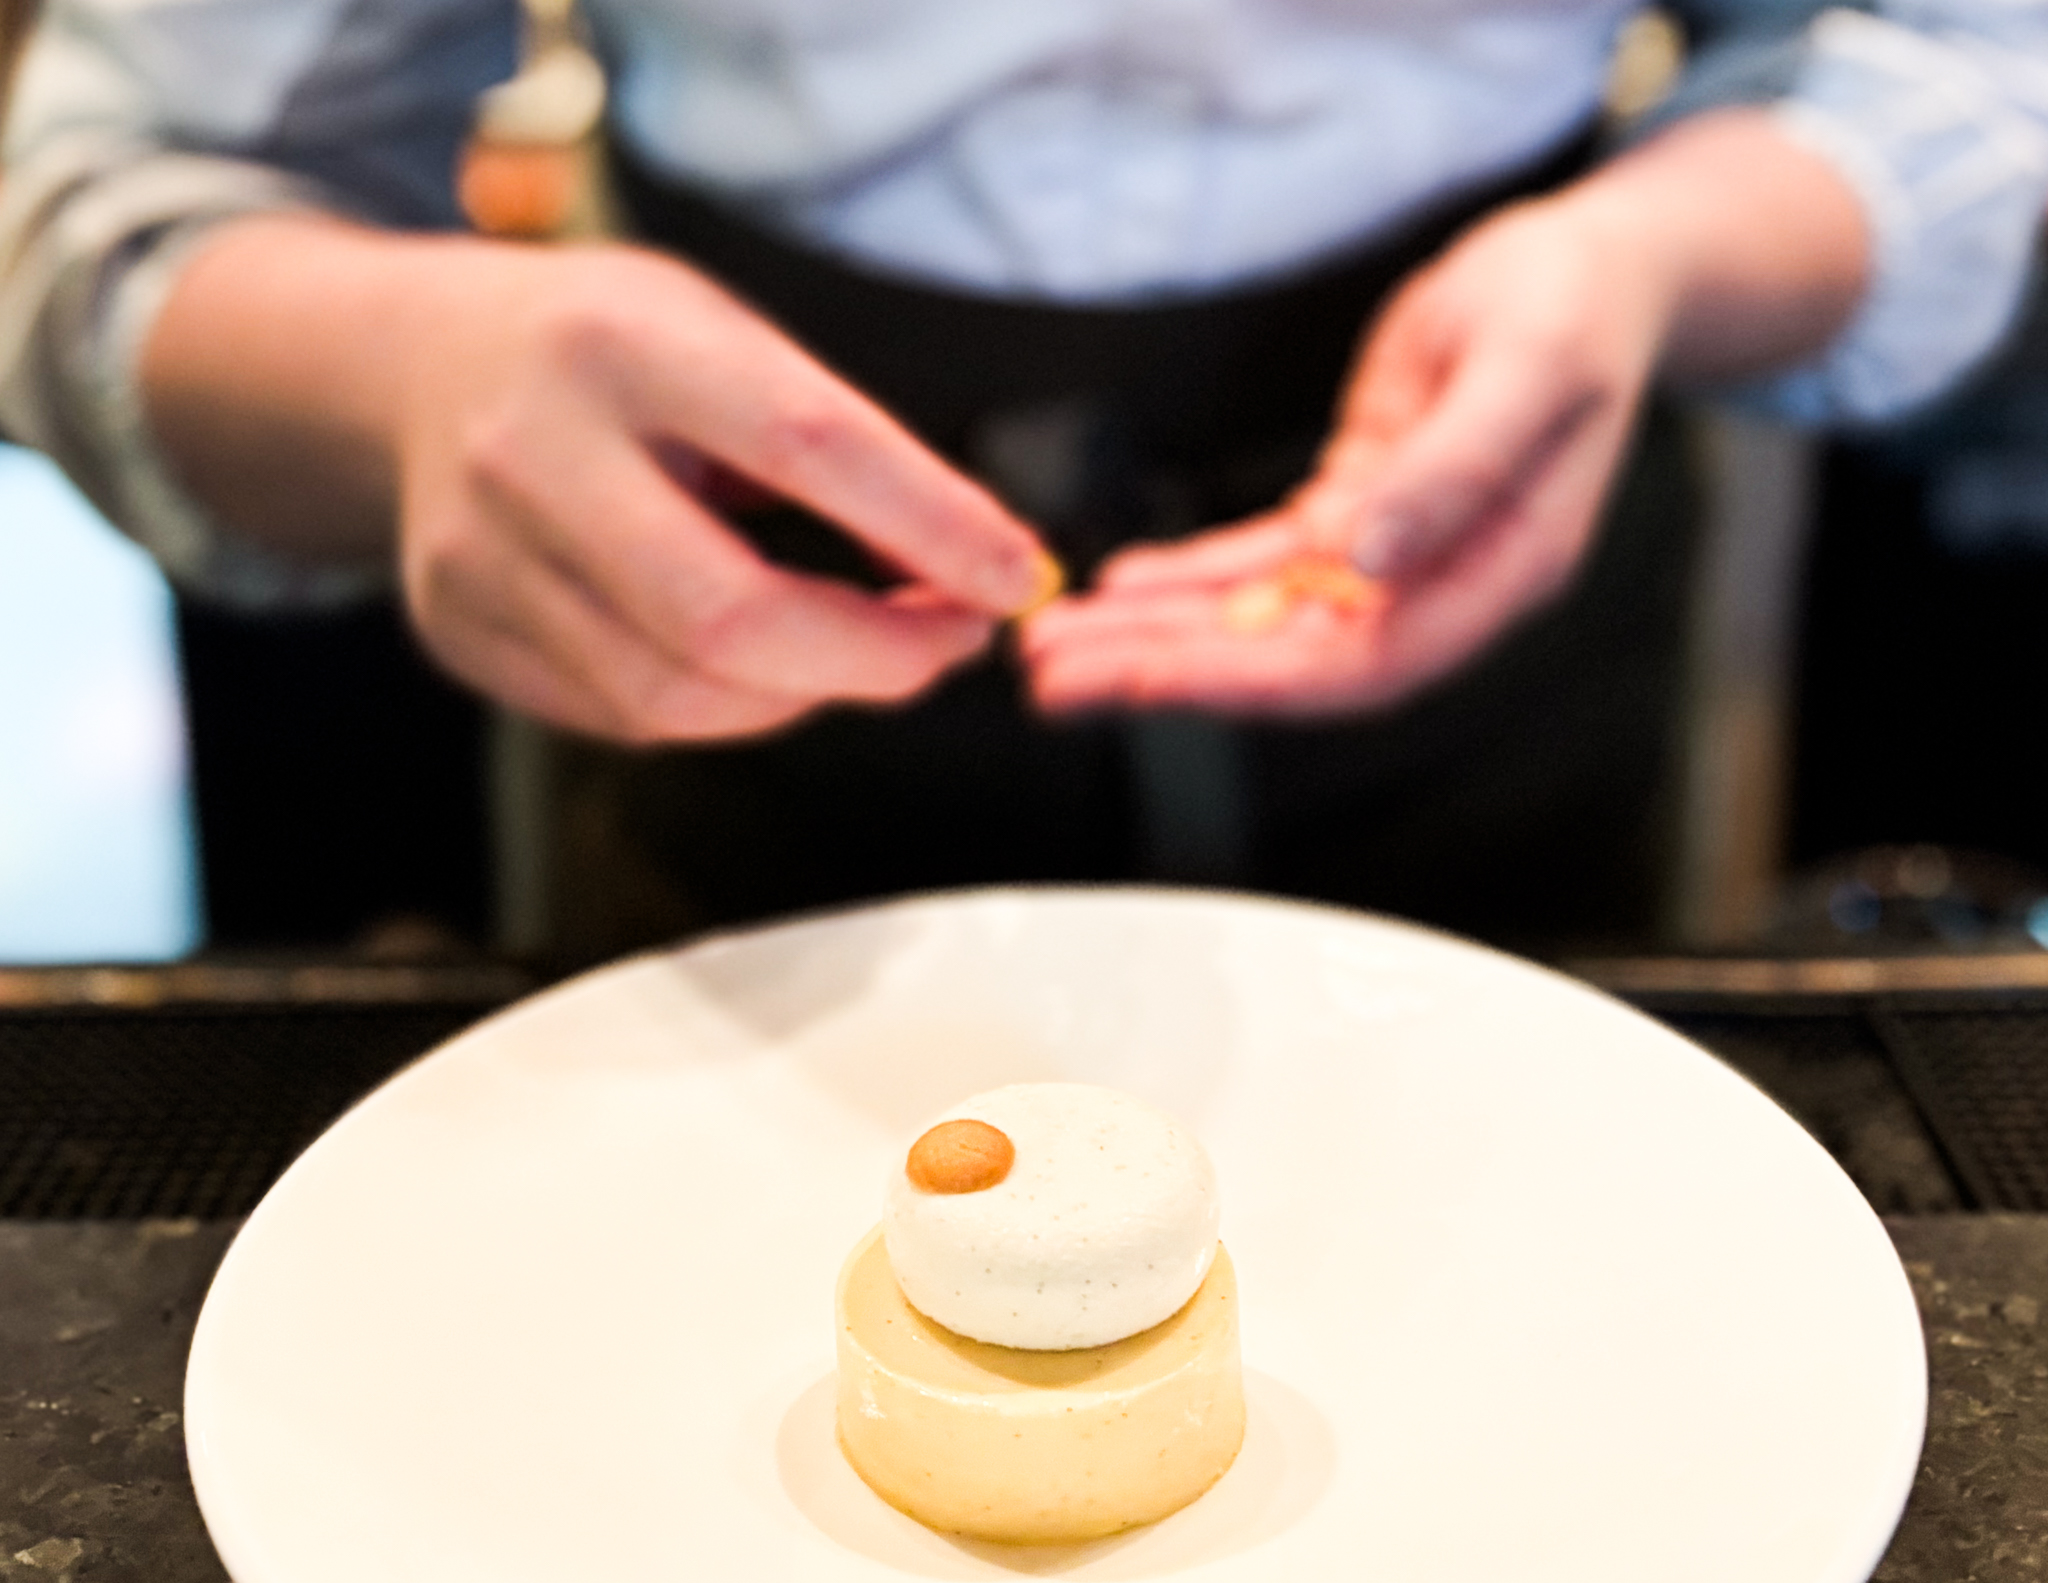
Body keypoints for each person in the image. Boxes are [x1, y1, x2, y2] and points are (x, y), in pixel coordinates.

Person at [4, 1, 2046, 951]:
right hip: (721, 639)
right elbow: (110, 198)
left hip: (1500, 575)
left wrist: (1656, 257)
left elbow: (1967, 49)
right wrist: (405, 380)